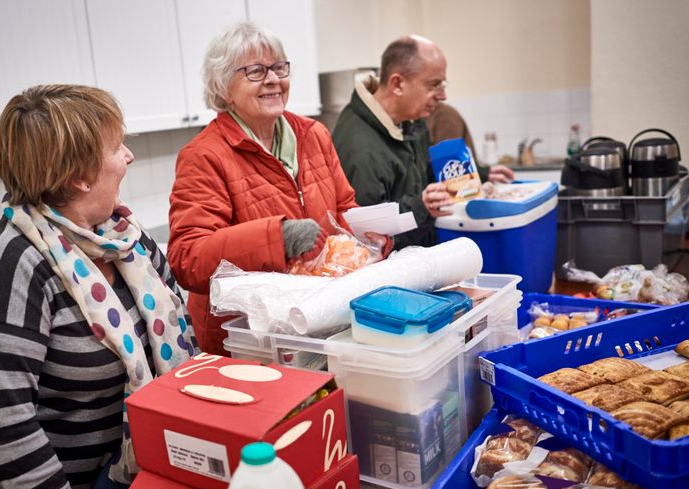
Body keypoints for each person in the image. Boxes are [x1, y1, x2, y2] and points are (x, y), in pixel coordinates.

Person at [0, 84, 195, 489]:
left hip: (101, 474)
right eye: (116, 147)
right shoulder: (13, 261)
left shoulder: (125, 239)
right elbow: (3, 418)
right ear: (78, 177)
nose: (128, 156)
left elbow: (182, 343)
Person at [168, 22, 385, 357]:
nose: (272, 79)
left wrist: (369, 239)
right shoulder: (204, 155)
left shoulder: (314, 134)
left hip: (319, 321)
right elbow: (188, 258)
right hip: (250, 338)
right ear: (225, 87)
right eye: (255, 71)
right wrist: (276, 238)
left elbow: (344, 208)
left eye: (278, 67)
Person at [332, 35, 512, 250]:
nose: (443, 96)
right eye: (434, 85)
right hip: (394, 265)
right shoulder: (359, 147)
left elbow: (427, 172)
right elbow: (368, 236)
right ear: (397, 84)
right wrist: (421, 207)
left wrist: (481, 175)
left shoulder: (409, 120)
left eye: (443, 85)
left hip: (423, 251)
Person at [425, 102, 515, 183]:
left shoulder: (444, 116)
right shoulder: (423, 119)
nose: (443, 96)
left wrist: (483, 173)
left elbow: (450, 168)